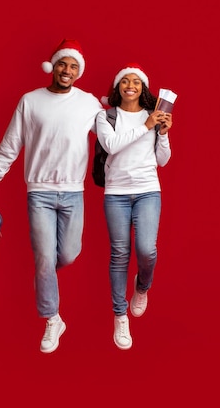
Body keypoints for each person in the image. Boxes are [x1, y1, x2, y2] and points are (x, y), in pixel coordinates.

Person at [0, 38, 103, 353]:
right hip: (39, 193)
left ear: (79, 71)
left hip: (73, 192)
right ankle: (52, 318)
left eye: (73, 66)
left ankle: (45, 279)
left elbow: (113, 136)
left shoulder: (89, 104)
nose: (66, 70)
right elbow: (11, 144)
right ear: (53, 66)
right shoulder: (30, 101)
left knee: (67, 255)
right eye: (62, 64)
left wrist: (149, 130)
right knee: (44, 257)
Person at [95, 63, 173, 350]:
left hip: (148, 191)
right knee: (119, 254)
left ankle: (142, 286)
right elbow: (112, 145)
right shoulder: (106, 117)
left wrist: (162, 133)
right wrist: (147, 126)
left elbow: (163, 160)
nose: (130, 85)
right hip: (116, 193)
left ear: (143, 89)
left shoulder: (153, 117)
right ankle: (119, 315)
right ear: (118, 88)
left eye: (136, 82)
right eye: (125, 81)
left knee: (146, 250)